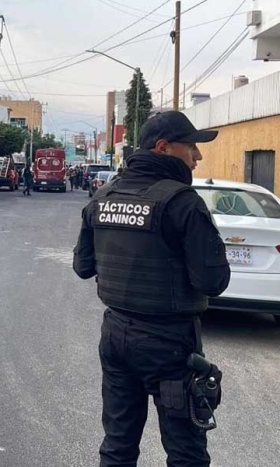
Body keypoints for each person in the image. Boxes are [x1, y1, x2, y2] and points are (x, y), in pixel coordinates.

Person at [72, 111, 231, 467]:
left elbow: (83, 267)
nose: (197, 156)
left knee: (117, 446)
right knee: (186, 454)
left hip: (116, 337)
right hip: (171, 347)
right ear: (163, 148)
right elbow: (214, 282)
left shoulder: (103, 195)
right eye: (190, 147)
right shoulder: (183, 202)